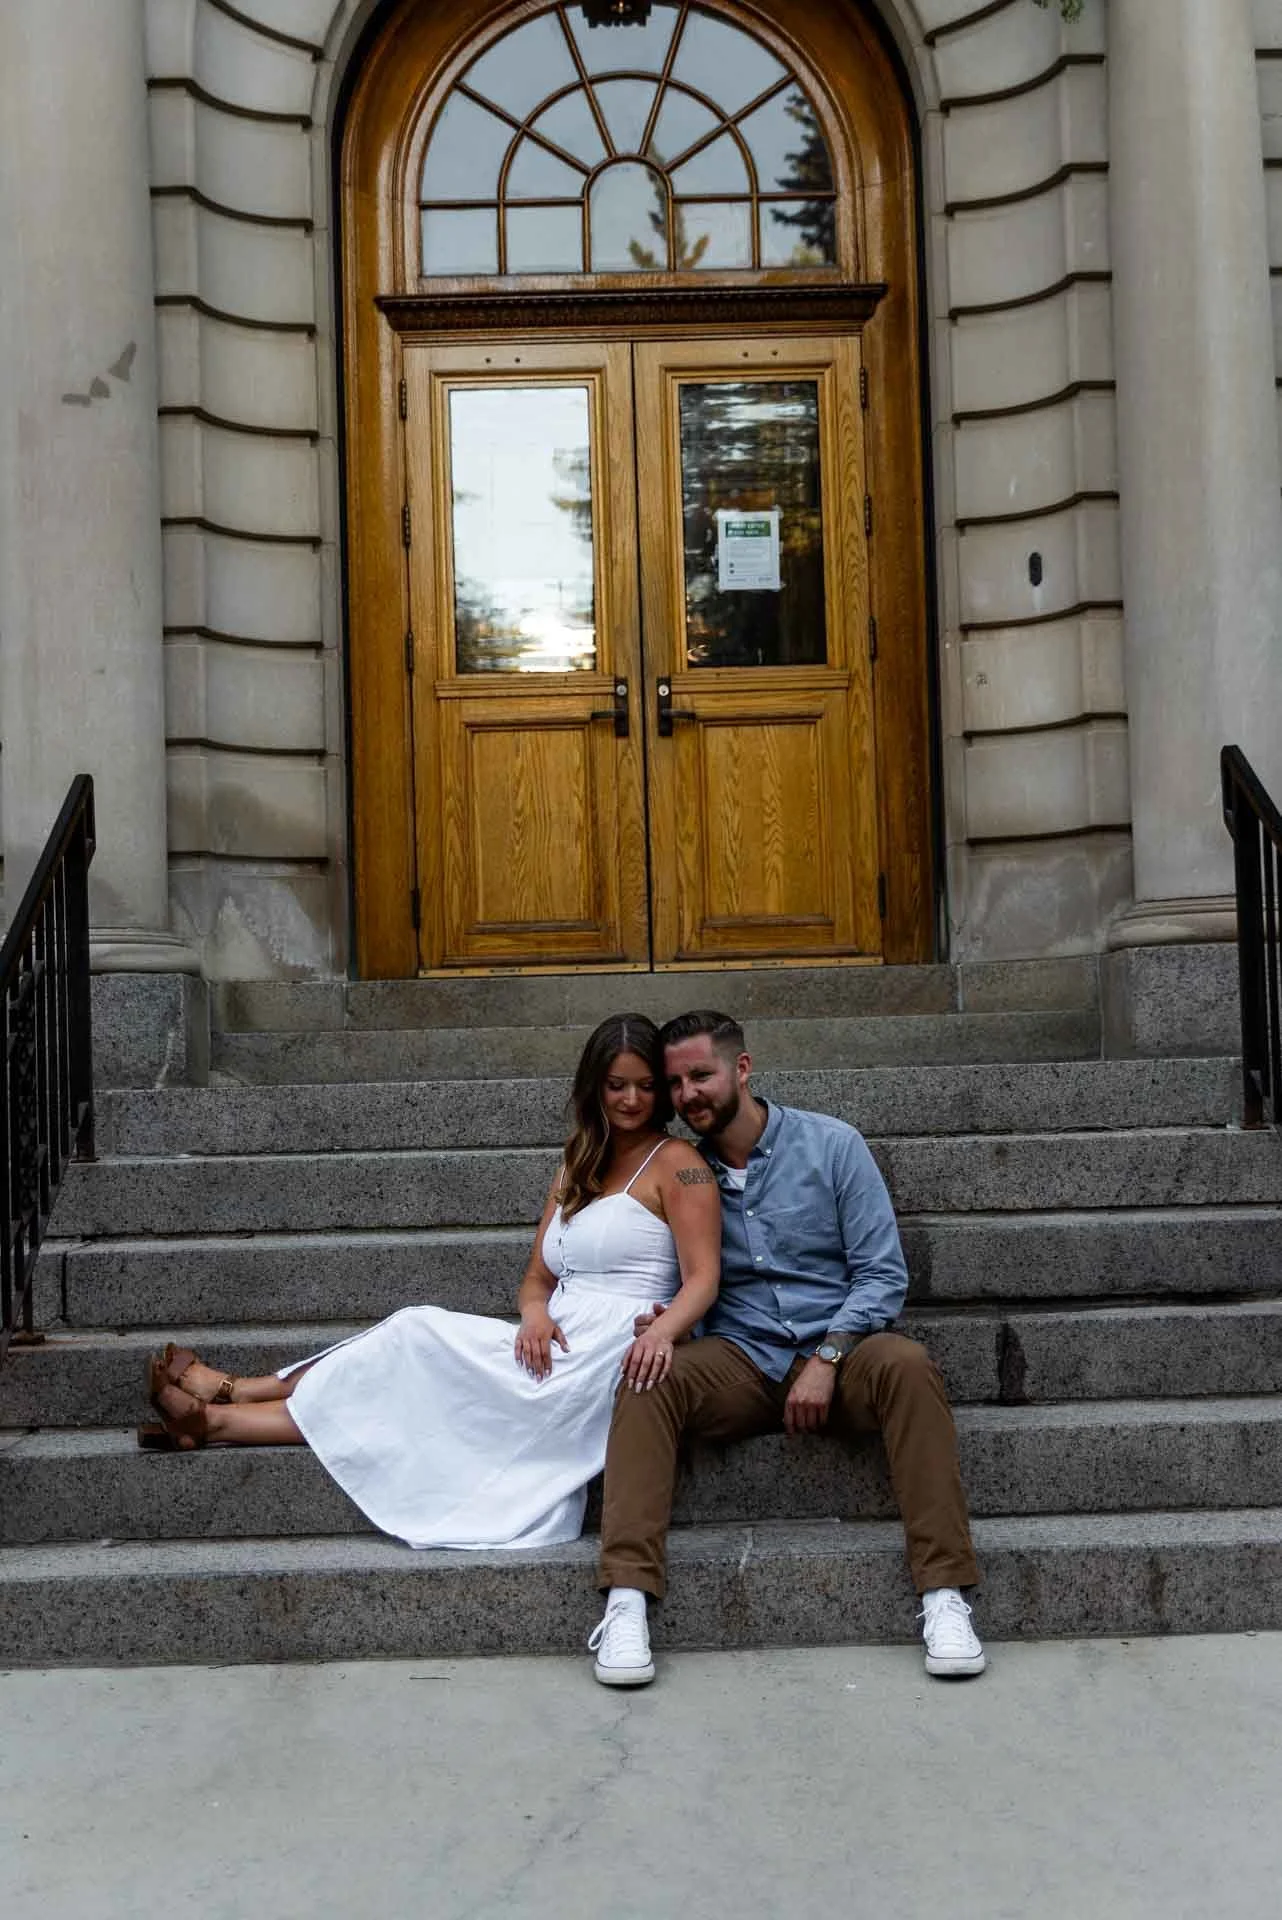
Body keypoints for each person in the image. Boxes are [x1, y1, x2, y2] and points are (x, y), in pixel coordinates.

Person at [138, 1014, 721, 1575]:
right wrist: (534, 1315)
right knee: (409, 1346)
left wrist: (664, 1333)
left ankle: (235, 1398)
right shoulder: (578, 1161)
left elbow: (703, 1277)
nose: (631, 1100)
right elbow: (536, 1278)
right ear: (594, 1086)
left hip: (610, 1354)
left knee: (414, 1339)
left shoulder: (678, 1163)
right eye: (616, 1085)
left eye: (646, 1086)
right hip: (549, 1340)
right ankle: (217, 1418)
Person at [588, 1009, 984, 1688]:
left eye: (701, 1076)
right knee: (650, 1378)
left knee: (910, 1367)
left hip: (842, 1353)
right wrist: (665, 1320)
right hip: (741, 1359)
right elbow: (682, 1273)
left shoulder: (832, 1146)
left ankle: (944, 1595)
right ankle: (626, 1599)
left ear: (742, 1068)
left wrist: (828, 1359)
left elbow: (882, 1275)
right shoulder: (684, 1171)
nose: (687, 1095)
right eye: (675, 1083)